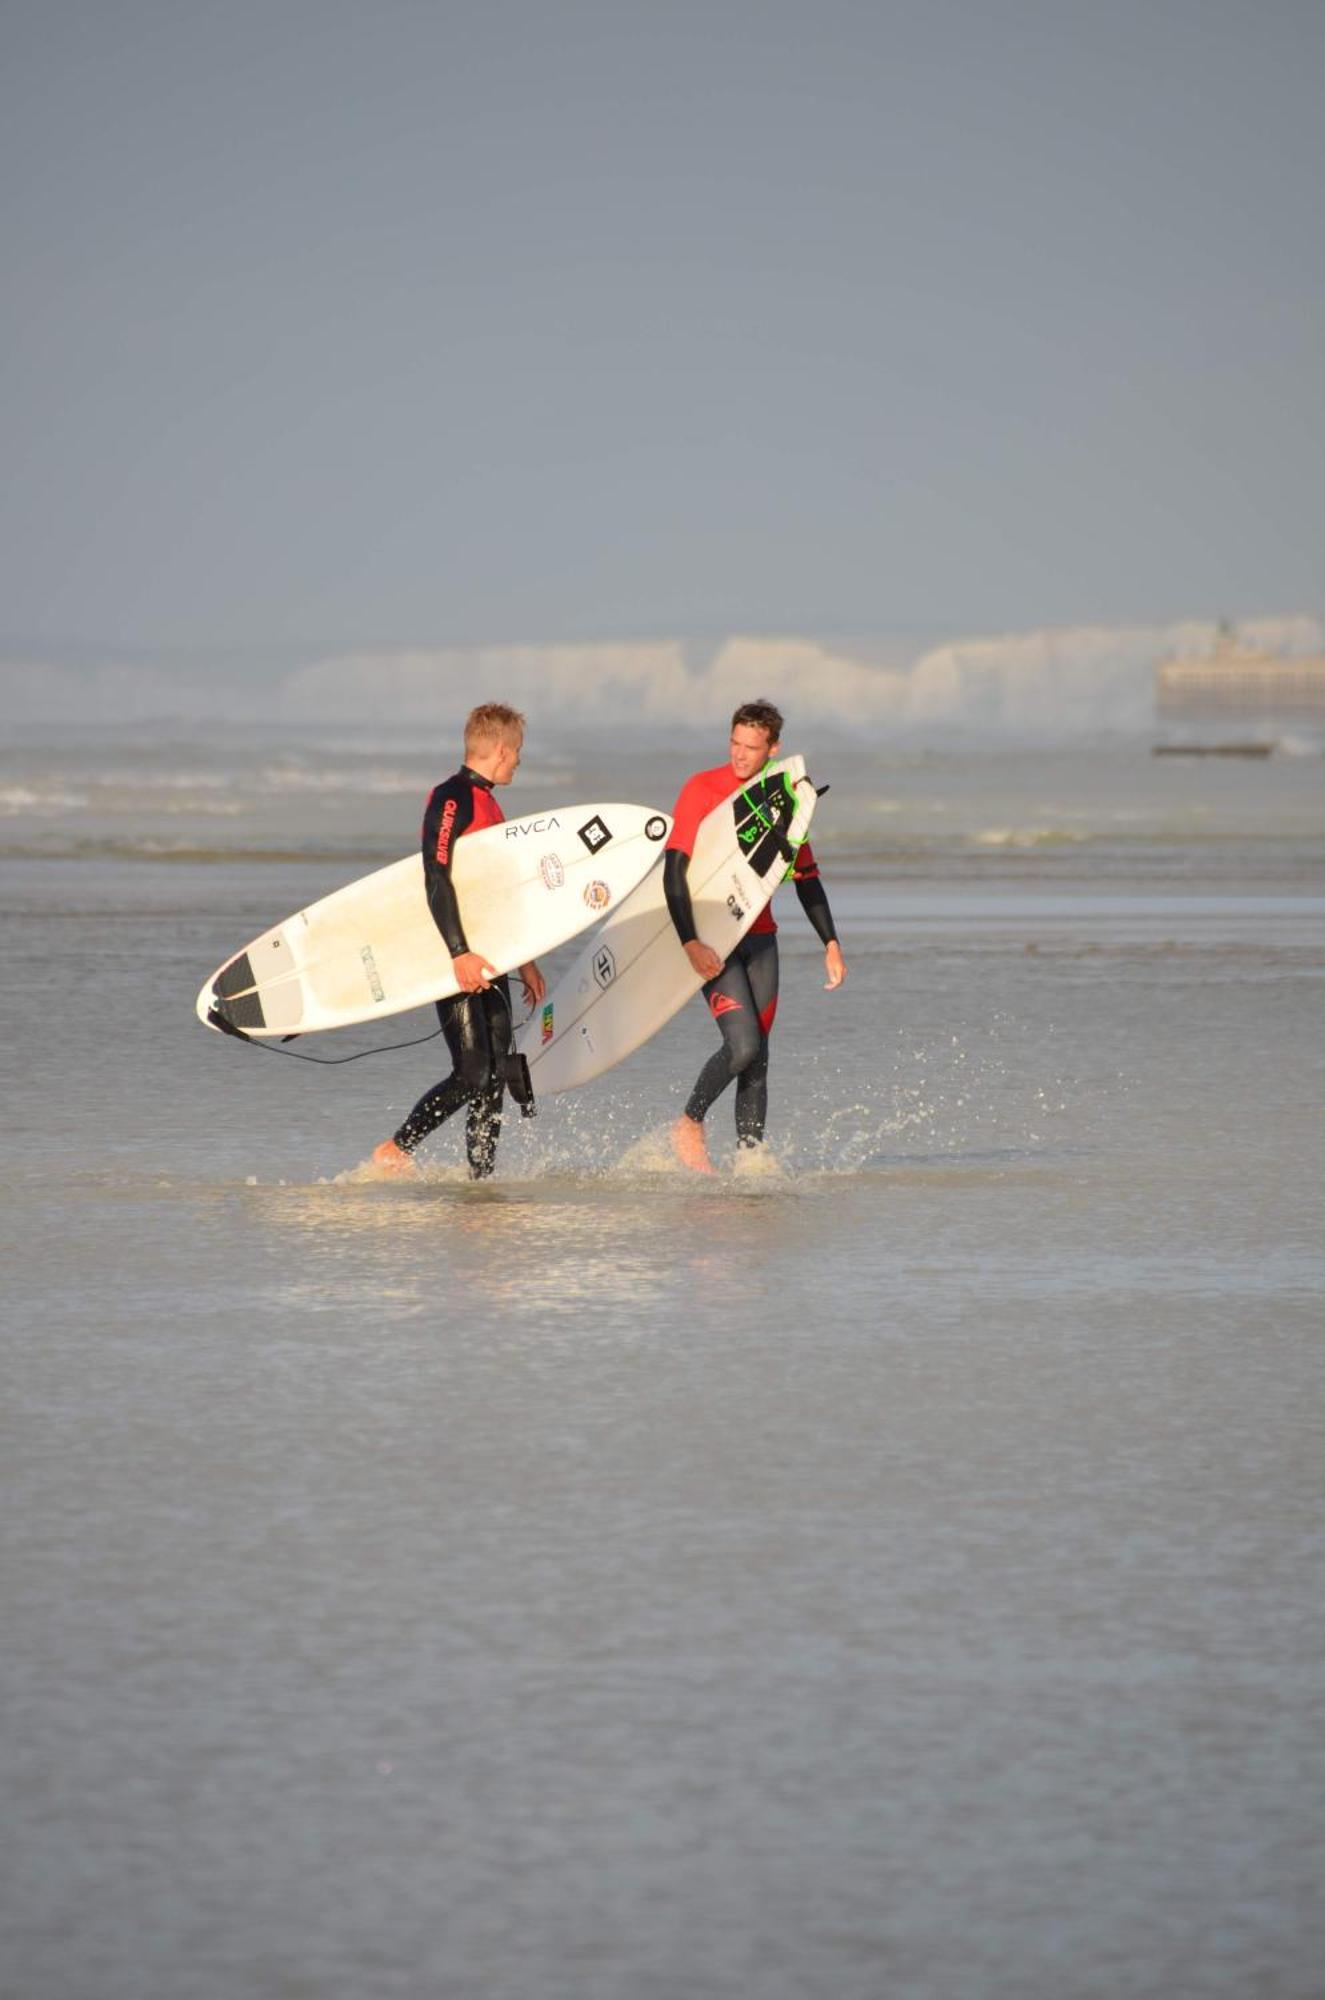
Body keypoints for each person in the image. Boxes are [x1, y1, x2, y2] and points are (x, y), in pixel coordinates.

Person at [663, 699, 846, 1172]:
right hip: (712, 939)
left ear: (773, 748)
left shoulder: (780, 800)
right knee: (741, 1045)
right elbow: (673, 872)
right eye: (734, 743)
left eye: (751, 747)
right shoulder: (701, 789)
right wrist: (689, 941)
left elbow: (805, 876)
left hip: (761, 938)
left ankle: (750, 1167)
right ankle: (688, 1122)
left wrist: (830, 942)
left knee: (758, 1059)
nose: (740, 755)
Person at [370, 703, 546, 1179]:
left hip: (491, 957)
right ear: (501, 749)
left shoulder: (490, 802)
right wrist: (458, 953)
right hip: (457, 957)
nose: (519, 762)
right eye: (518, 753)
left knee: (493, 1079)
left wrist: (525, 961)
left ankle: (480, 1182)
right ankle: (396, 1149)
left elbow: (499, 895)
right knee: (471, 1073)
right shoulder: (453, 799)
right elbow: (436, 876)